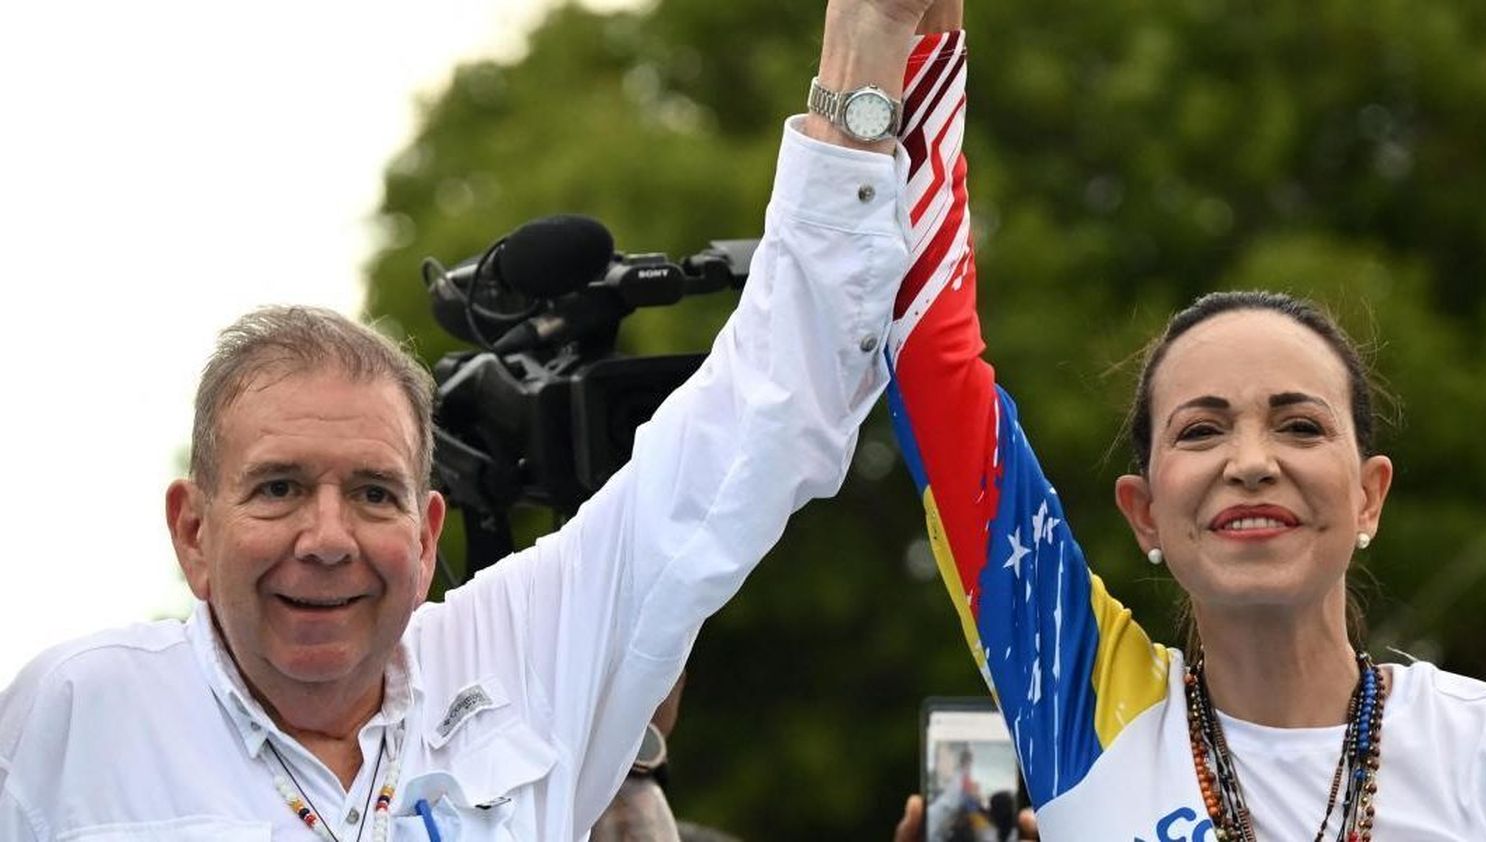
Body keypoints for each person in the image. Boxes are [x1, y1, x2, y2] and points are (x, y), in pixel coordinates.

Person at [0, 0, 940, 837]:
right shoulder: (76, 712)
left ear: (427, 531)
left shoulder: (519, 660)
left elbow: (766, 416)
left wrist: (872, 39)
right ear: (193, 531)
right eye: (279, 488)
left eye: (373, 493)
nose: (327, 539)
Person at [882, 3, 1486, 839]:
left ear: (1370, 496)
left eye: (1300, 426)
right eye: (1200, 430)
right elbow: (931, 365)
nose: (1252, 461)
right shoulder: (1081, 708)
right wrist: (899, 39)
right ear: (1144, 509)